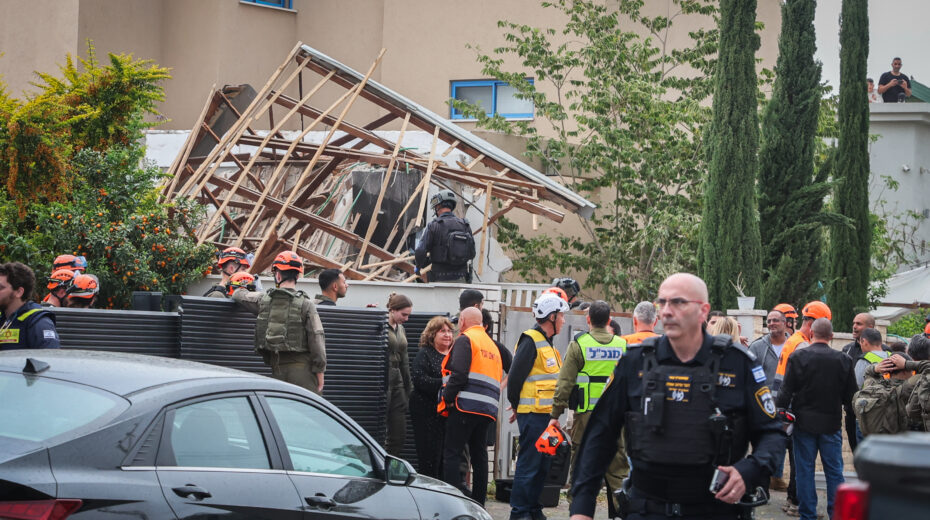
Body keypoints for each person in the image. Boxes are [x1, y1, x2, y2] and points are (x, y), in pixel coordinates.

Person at [568, 273, 786, 520]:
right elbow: (600, 436)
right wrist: (582, 509)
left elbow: (772, 434)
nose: (667, 311)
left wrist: (749, 471)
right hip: (647, 509)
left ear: (703, 311)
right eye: (662, 303)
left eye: (678, 302)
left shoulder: (737, 364)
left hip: (714, 510)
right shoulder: (635, 362)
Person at [551, 300, 628, 519]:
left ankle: (578, 512)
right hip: (616, 419)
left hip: (586, 418)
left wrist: (555, 414)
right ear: (609, 320)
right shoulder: (622, 346)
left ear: (588, 320)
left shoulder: (579, 345)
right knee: (619, 472)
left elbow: (565, 383)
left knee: (582, 471)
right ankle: (625, 510)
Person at [776, 318, 857, 520]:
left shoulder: (798, 357)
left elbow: (785, 391)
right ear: (831, 336)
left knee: (804, 471)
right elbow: (851, 397)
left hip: (803, 423)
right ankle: (836, 514)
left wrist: (780, 413)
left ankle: (807, 515)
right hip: (831, 424)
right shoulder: (844, 360)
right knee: (834, 472)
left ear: (811, 334)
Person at [508, 293, 569, 520]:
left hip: (546, 417)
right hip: (533, 415)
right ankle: (520, 512)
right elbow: (514, 378)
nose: (563, 320)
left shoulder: (549, 345)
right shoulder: (530, 340)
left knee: (542, 466)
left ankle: (533, 509)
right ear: (551, 317)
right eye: (561, 315)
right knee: (529, 464)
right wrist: (516, 406)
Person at [232, 251, 326, 394]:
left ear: (278, 275)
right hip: (303, 372)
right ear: (298, 276)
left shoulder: (263, 300)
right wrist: (320, 370)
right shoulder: (306, 304)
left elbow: (239, 295)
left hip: (277, 370)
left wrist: (240, 283)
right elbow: (317, 337)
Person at [438, 307, 502, 506]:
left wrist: (446, 398)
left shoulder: (466, 340)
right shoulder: (491, 345)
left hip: (464, 407)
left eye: (459, 321)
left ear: (463, 321)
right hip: (487, 410)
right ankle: (479, 503)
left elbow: (459, 375)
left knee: (452, 453)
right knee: (479, 456)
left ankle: (452, 504)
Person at [773, 300, 830, 515]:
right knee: (801, 459)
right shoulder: (803, 346)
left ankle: (792, 499)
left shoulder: (794, 340)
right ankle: (798, 502)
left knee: (797, 457)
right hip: (796, 409)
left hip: (786, 406)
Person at [748, 308, 791, 492]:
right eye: (769, 321)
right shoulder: (758, 346)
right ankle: (761, 482)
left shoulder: (794, 345)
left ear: (785, 323)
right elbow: (749, 372)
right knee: (761, 441)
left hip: (787, 403)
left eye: (776, 320)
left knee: (782, 440)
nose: (771, 323)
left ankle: (776, 476)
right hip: (763, 403)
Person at [410, 315, 455, 478]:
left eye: (449, 331)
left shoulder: (455, 355)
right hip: (426, 412)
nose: (447, 334)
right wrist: (446, 382)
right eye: (442, 331)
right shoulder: (425, 354)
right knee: (429, 456)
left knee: (445, 457)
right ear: (432, 334)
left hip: (448, 413)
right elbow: (420, 380)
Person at [414, 189, 475, 283]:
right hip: (461, 278)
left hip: (439, 278)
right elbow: (472, 253)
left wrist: (418, 267)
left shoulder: (434, 225)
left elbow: (420, 250)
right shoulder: (465, 225)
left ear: (438, 206)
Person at [0, 262, 61, 350]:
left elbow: (50, 357)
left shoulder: (39, 322)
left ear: (19, 292)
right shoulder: (3, 317)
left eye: (0, 288)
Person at [385, 292, 413, 456]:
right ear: (393, 310)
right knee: (379, 426)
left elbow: (405, 360)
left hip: (398, 380)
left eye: (408, 315)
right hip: (383, 378)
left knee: (399, 432)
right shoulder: (380, 323)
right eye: (404, 314)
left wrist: (409, 388)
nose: (406, 318)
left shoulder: (401, 328)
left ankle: (390, 461)